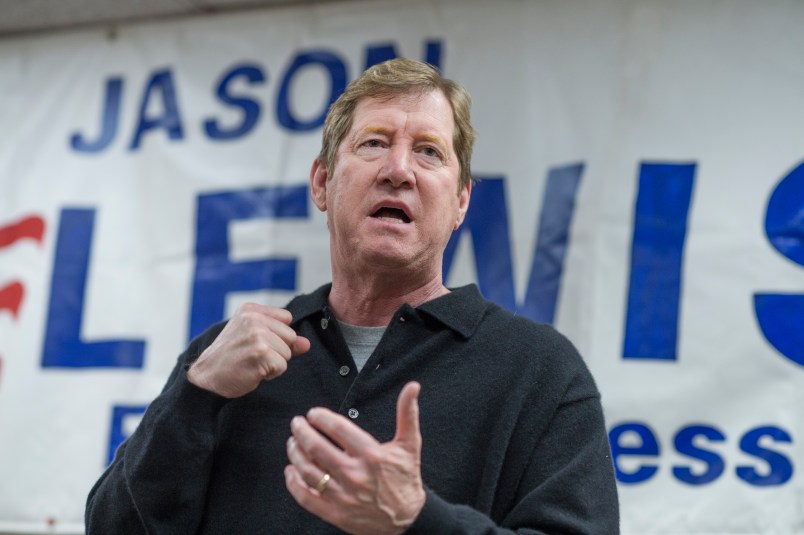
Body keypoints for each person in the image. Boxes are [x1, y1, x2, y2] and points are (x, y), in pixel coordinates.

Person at [85, 57, 619, 534]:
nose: (398, 170)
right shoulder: (226, 355)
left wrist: (418, 520)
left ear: (460, 203)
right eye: (374, 143)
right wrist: (195, 394)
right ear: (322, 183)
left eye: (429, 152)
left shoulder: (542, 372)